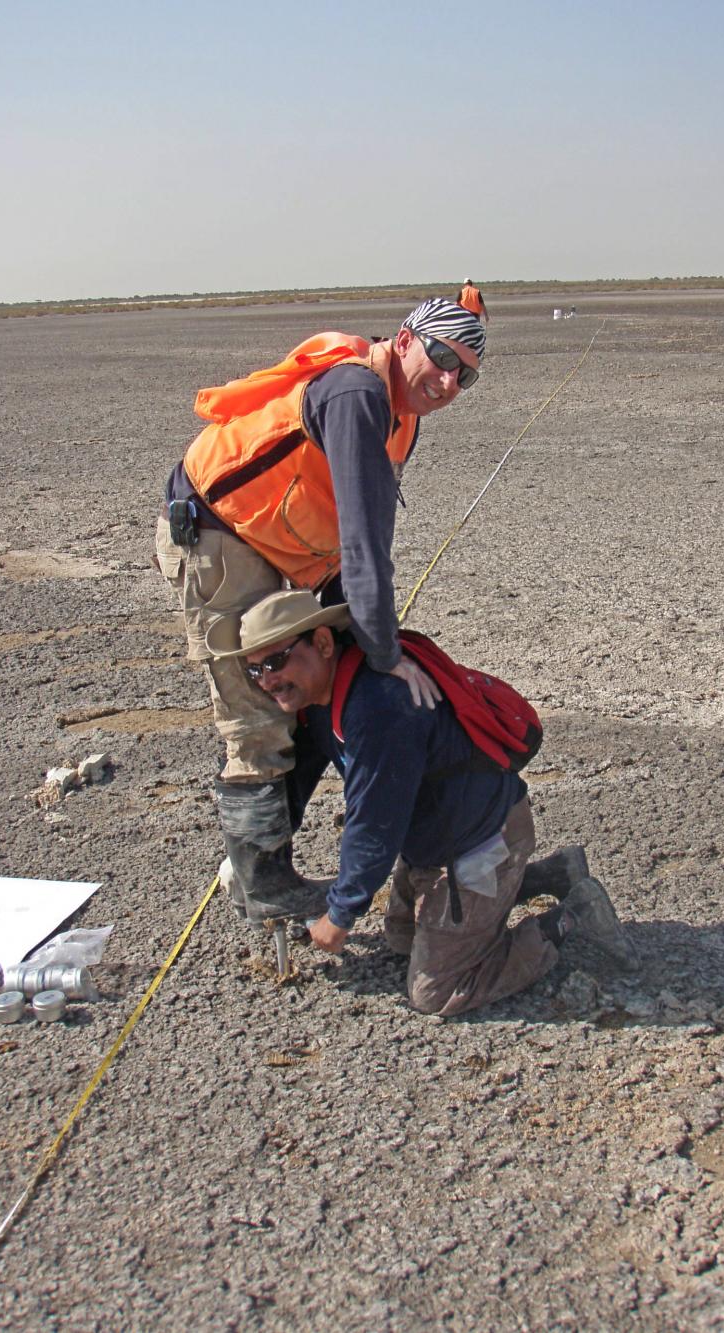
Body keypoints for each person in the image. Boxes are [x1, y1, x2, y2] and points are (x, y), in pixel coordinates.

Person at [155, 297, 487, 924]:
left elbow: (359, 541)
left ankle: (260, 853)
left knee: (316, 690)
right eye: (442, 358)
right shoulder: (358, 395)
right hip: (220, 535)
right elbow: (365, 545)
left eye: (464, 375)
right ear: (406, 339)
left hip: (289, 547)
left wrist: (357, 653)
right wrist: (385, 656)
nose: (448, 382)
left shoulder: (402, 414)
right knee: (263, 699)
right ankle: (262, 881)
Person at [209, 589, 639, 1017]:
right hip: (433, 844)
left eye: (276, 661)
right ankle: (553, 874)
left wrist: (340, 915)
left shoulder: (379, 706)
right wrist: (257, 850)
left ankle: (572, 919)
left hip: (478, 841)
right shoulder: (320, 700)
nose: (267, 680)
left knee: (438, 991)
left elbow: (374, 825)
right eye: (255, 671)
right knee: (400, 939)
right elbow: (297, 783)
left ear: (322, 643)